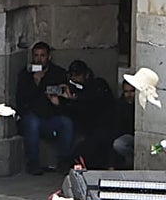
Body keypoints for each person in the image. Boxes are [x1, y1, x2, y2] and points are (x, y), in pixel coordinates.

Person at [15, 41, 74, 175]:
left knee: (66, 123)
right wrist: (36, 83)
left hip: (51, 117)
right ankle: (33, 163)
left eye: (42, 55)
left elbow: (66, 103)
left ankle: (63, 162)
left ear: (49, 57)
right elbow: (21, 100)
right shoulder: (25, 74)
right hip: (32, 117)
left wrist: (57, 102)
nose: (39, 59)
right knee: (32, 123)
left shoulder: (58, 73)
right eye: (36, 56)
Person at [64, 60, 115, 169]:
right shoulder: (72, 88)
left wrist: (77, 99)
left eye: (77, 75)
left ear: (86, 74)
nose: (74, 78)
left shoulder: (98, 85)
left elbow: (96, 102)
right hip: (84, 128)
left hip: (103, 126)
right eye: (72, 75)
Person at [112, 80, 136, 169]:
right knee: (119, 144)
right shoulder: (119, 105)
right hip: (127, 137)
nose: (129, 95)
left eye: (132, 91)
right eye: (126, 92)